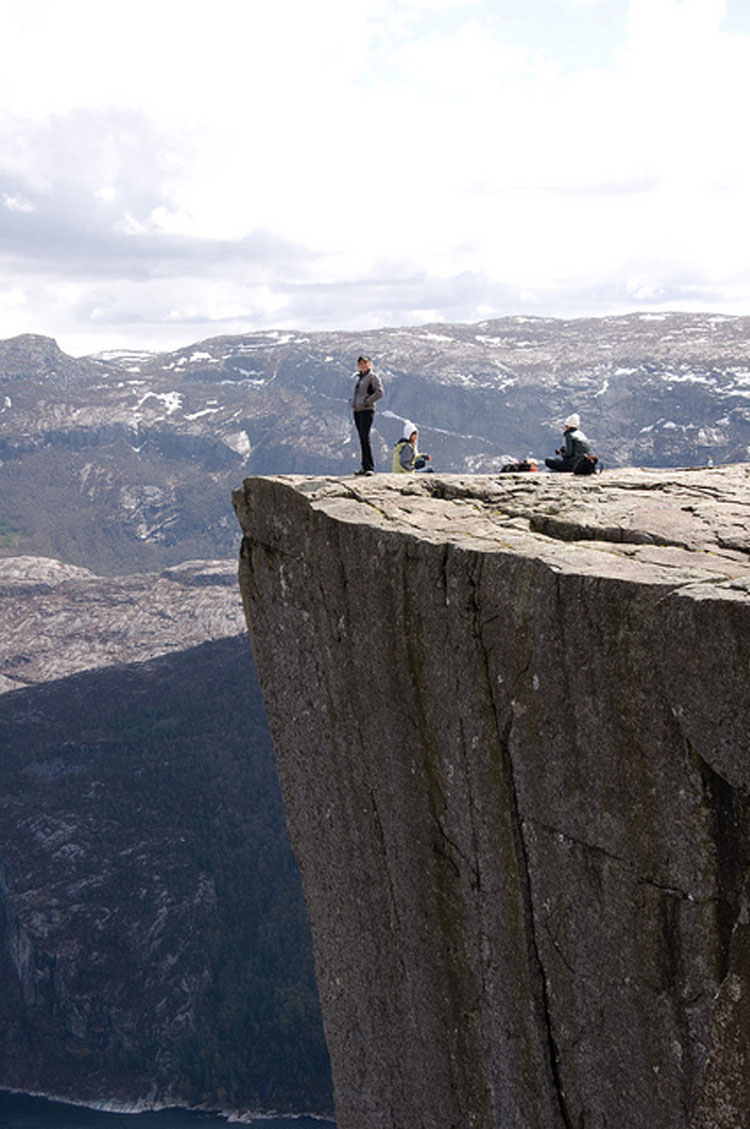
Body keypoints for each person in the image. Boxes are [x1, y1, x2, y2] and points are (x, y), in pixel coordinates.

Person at [350, 355, 384, 475]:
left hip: (367, 410)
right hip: (357, 410)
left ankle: (370, 468)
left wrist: (367, 401)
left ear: (369, 364)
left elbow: (379, 392)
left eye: (365, 363)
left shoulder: (372, 377)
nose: (362, 365)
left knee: (365, 437)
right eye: (360, 363)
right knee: (362, 439)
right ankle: (364, 467)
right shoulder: (359, 377)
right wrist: (353, 403)